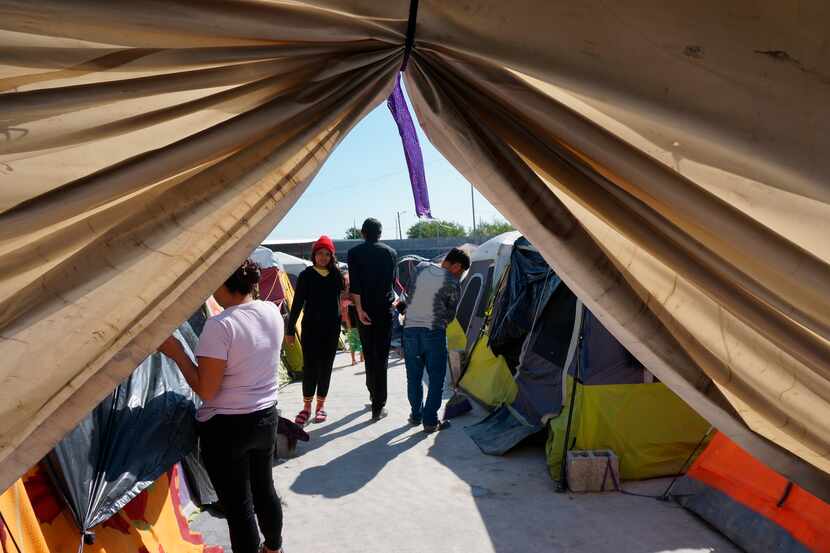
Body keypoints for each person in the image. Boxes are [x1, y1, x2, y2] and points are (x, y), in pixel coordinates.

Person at [158, 259, 284, 553]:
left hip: (227, 428)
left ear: (225, 285)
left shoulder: (221, 325)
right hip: (266, 417)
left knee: (239, 507)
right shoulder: (271, 312)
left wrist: (177, 353)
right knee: (265, 490)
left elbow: (206, 389)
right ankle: (274, 548)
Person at [400, 248, 470, 432]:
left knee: (414, 376)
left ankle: (416, 415)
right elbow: (450, 313)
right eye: (461, 271)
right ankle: (430, 421)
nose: (460, 275)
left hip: (410, 331)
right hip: (433, 333)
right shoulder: (452, 281)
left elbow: (408, 293)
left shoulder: (420, 268)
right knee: (436, 377)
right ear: (456, 266)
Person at [285, 235, 344, 425]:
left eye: (327, 254)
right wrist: (290, 330)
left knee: (326, 368)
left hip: (332, 329)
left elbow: (346, 295)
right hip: (310, 328)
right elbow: (297, 303)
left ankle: (320, 406)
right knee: (310, 368)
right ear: (314, 255)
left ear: (331, 256)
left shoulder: (336, 275)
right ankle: (306, 407)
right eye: (320, 253)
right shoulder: (306, 275)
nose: (323, 257)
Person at [347, 217, 397, 421]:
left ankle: (373, 394)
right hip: (384, 309)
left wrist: (359, 309)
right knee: (382, 356)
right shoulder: (391, 252)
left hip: (364, 310)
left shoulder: (354, 253)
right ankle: (379, 403)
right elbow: (392, 282)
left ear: (362, 233)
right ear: (380, 233)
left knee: (369, 353)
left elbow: (355, 285)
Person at [341, 272, 364, 366]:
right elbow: (345, 312)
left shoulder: (352, 296)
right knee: (354, 339)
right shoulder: (346, 299)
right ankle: (355, 359)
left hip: (355, 314)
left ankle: (360, 358)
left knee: (359, 339)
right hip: (352, 315)